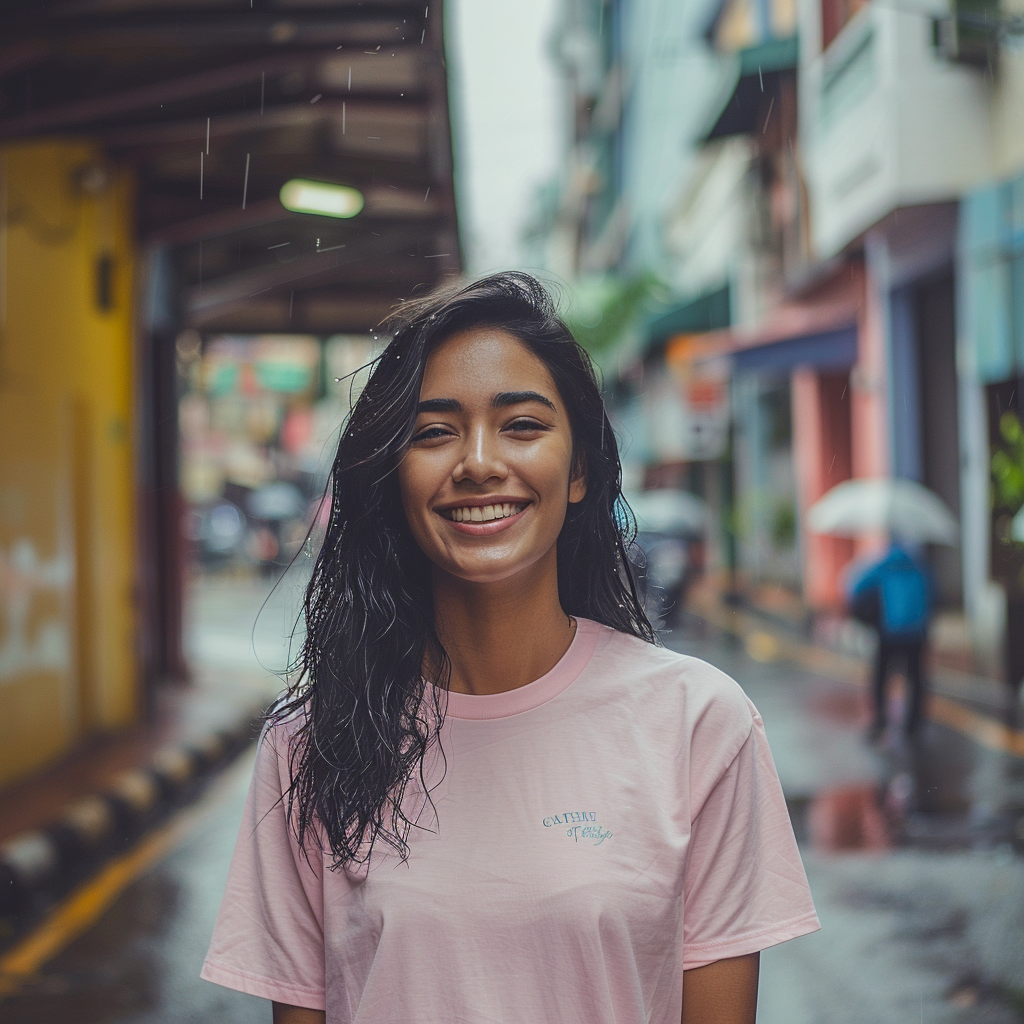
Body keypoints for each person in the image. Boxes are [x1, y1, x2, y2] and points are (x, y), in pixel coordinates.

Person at [200, 273, 820, 1024]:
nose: (479, 463)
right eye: (434, 432)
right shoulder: (308, 746)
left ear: (581, 469)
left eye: (522, 425)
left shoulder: (699, 725)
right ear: (394, 477)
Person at [847, 542, 931, 740]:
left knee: (880, 678)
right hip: (915, 634)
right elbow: (932, 598)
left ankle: (880, 720)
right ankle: (913, 724)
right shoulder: (920, 569)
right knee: (916, 679)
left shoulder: (882, 567)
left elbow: (855, 586)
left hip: (889, 632)